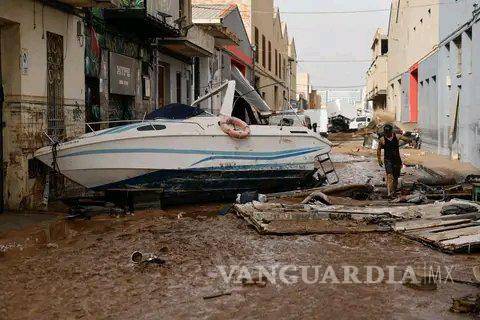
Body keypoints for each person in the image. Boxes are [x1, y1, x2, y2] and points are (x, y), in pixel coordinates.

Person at [377, 124, 410, 197]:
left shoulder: (397, 136)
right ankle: (389, 192)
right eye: (386, 132)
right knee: (389, 176)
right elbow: (379, 149)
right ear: (384, 132)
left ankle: (394, 191)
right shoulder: (382, 139)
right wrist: (379, 159)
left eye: (388, 132)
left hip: (397, 160)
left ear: (391, 131)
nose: (387, 133)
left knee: (396, 177)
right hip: (388, 160)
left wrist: (409, 141)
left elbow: (407, 139)